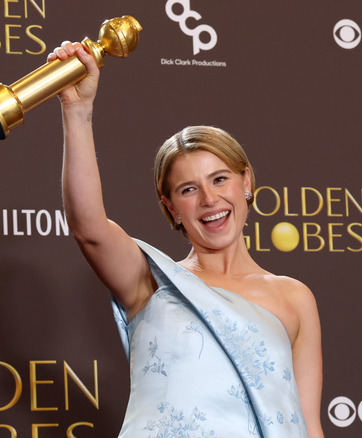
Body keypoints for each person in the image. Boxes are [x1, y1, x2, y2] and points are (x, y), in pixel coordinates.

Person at [50, 41, 324, 438]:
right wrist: (77, 110)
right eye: (188, 190)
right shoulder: (151, 282)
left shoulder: (294, 297)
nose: (210, 200)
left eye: (220, 179)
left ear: (245, 182)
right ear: (171, 206)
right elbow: (89, 228)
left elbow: (307, 425)